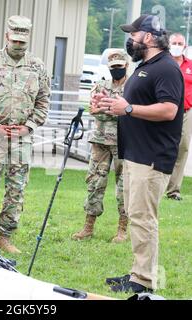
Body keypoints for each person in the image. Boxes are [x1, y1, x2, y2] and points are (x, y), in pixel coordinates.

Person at [95, 15, 184, 293]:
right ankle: (138, 275)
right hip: (136, 154)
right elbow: (131, 105)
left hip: (152, 157)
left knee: (144, 219)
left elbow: (169, 110)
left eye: (134, 34)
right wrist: (111, 105)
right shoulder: (146, 66)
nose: (130, 40)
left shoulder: (167, 68)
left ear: (147, 37)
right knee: (136, 216)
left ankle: (144, 283)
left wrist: (129, 109)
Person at [0, 15, 50, 254]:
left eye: (22, 43)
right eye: (14, 41)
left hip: (22, 138)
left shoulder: (37, 66)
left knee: (17, 189)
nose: (18, 46)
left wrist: (30, 126)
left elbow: (44, 101)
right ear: (7, 37)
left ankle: (5, 236)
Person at [72, 50, 129, 243]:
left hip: (125, 142)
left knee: (125, 186)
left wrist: (108, 108)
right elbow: (94, 110)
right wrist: (114, 109)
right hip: (100, 142)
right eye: (113, 67)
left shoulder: (133, 87)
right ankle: (88, 227)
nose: (116, 70)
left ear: (126, 66)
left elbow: (131, 111)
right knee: (94, 182)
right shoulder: (100, 85)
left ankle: (123, 229)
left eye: (119, 67)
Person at [165, 33, 192, 201]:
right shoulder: (163, 64)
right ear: (168, 45)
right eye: (173, 42)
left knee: (182, 148)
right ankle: (158, 185)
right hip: (166, 111)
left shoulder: (190, 65)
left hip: (186, 111)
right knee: (164, 147)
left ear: (185, 45)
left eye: (179, 43)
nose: (176, 45)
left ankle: (174, 190)